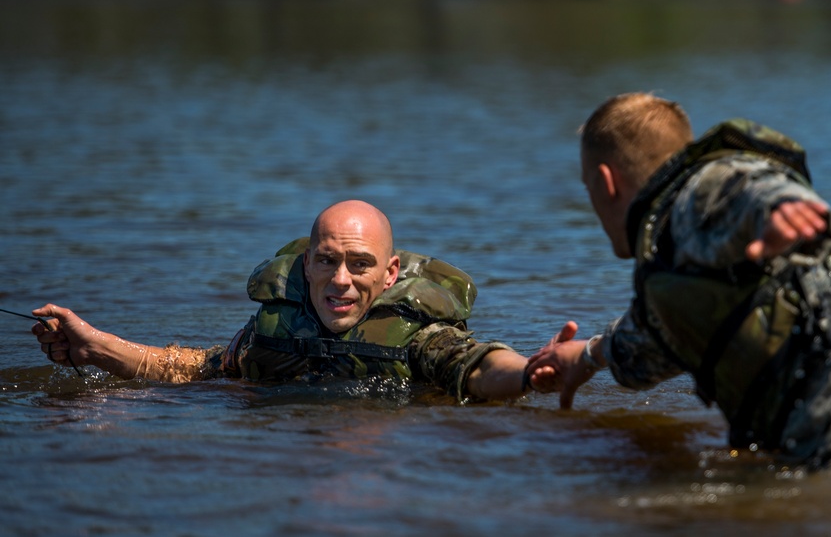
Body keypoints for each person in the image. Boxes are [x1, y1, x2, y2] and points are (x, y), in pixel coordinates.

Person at [527, 92, 831, 469]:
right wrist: (586, 356)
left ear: (606, 183)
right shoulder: (686, 263)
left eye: (587, 189)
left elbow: (750, 185)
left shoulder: (702, 190)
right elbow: (645, 344)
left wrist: (780, 206)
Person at [33, 200, 571, 402]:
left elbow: (478, 367)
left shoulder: (419, 337)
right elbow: (191, 369)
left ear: (388, 275)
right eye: (327, 260)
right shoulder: (274, 328)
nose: (340, 280)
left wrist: (529, 372)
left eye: (359, 265)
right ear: (306, 263)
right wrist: (95, 346)